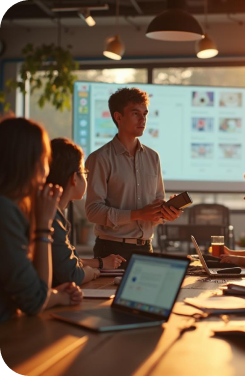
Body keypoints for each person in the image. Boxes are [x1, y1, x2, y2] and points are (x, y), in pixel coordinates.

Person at [85, 88, 181, 268]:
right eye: (135, 113)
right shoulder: (99, 158)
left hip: (146, 249)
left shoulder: (153, 157)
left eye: (145, 114)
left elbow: (156, 208)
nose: (143, 119)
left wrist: (166, 213)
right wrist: (138, 214)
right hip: (111, 251)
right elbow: (92, 211)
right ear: (118, 117)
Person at [0, 117, 83, 323]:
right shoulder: (5, 212)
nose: (47, 171)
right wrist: (44, 226)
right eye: (45, 160)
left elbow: (30, 291)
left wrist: (54, 295)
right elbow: (34, 301)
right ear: (30, 164)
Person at [46, 138, 126, 287]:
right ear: (73, 179)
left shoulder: (51, 212)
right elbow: (72, 275)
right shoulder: (52, 218)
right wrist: (91, 272)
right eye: (84, 172)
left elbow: (67, 258)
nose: (86, 178)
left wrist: (100, 263)